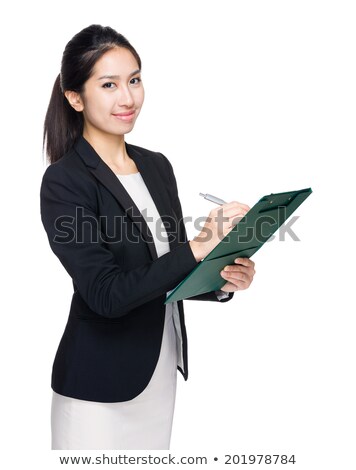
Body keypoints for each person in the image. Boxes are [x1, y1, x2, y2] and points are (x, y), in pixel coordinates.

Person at [40, 24, 256, 450]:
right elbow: (106, 294)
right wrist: (197, 247)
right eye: (109, 84)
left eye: (135, 80)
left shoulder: (156, 166)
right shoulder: (65, 181)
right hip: (97, 395)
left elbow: (161, 270)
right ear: (75, 97)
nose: (128, 98)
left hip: (158, 379)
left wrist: (220, 278)